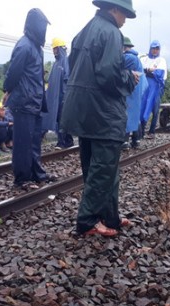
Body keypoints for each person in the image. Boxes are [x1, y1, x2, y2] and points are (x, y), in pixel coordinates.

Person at [59, 0, 138, 237]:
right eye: (124, 13)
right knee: (104, 169)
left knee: (98, 166)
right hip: (103, 112)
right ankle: (87, 222)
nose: (125, 19)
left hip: (84, 109)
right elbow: (108, 74)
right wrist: (129, 78)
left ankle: (109, 216)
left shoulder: (85, 30)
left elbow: (77, 67)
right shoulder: (112, 32)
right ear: (114, 9)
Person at [3, 8, 54, 190]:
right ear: (34, 26)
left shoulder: (35, 46)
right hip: (24, 101)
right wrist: (7, 89)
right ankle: (21, 179)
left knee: (33, 140)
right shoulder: (24, 46)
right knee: (23, 143)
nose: (44, 31)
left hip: (35, 101)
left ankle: (36, 173)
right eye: (42, 27)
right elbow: (13, 72)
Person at [42, 37, 73, 149]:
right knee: (58, 119)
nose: (54, 51)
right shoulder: (56, 64)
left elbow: (67, 79)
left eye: (56, 48)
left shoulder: (65, 61)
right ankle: (67, 140)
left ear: (60, 48)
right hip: (55, 98)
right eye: (53, 49)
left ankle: (63, 142)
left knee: (61, 119)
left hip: (62, 98)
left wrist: (65, 97)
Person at [122, 36, 148, 149]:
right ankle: (136, 140)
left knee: (127, 114)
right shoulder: (135, 57)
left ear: (123, 47)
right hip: (136, 90)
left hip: (131, 90)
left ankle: (125, 142)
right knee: (134, 114)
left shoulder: (128, 58)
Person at [139, 40, 167, 138]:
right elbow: (140, 70)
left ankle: (152, 131)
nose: (155, 51)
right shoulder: (144, 59)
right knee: (142, 107)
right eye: (153, 48)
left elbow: (159, 74)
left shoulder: (161, 60)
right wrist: (148, 70)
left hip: (156, 89)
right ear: (150, 49)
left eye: (157, 49)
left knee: (155, 110)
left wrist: (147, 71)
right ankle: (141, 131)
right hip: (144, 88)